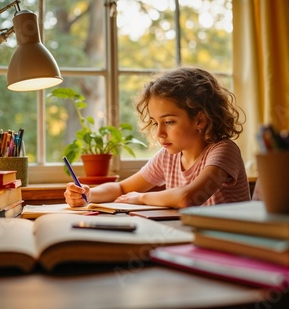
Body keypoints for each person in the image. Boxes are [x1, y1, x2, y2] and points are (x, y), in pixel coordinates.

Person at [64, 67, 251, 209]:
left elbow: (188, 198)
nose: (159, 133)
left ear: (200, 119)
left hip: (231, 249)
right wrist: (88, 194)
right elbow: (121, 189)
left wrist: (141, 198)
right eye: (155, 123)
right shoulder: (168, 156)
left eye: (169, 122)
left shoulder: (224, 151)